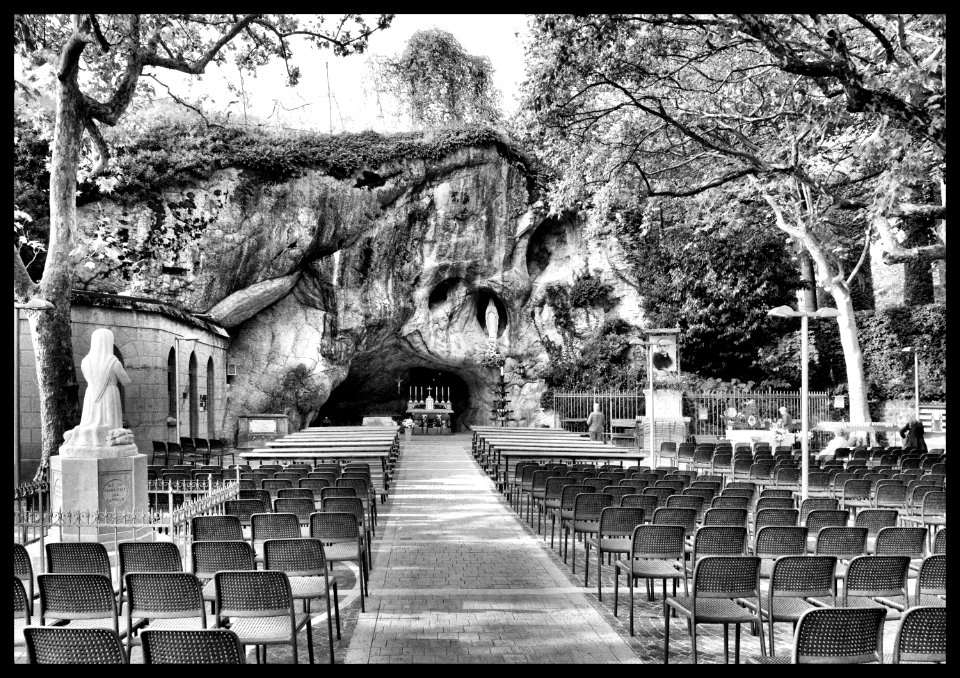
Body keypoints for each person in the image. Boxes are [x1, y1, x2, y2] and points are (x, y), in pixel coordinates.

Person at [63, 328, 132, 448]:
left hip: (91, 394)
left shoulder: (85, 361)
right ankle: (107, 440)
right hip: (110, 394)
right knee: (111, 423)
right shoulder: (113, 361)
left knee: (90, 421)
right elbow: (126, 382)